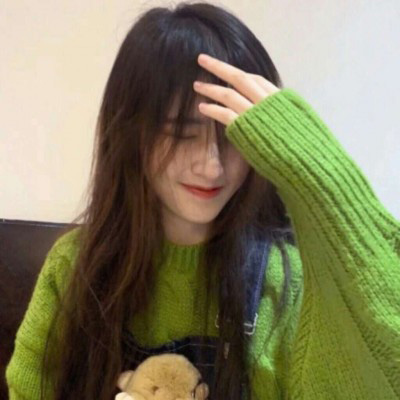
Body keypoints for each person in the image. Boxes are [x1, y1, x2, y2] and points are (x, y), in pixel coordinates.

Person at [6, 1, 400, 399]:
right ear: (131, 135)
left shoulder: (284, 283)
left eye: (232, 136)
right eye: (181, 133)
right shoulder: (73, 269)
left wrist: (323, 176)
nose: (212, 167)